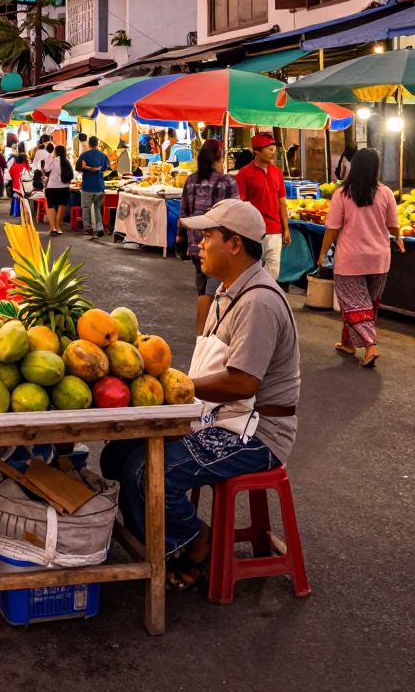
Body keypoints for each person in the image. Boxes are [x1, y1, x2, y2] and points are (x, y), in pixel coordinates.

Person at [100, 199, 300, 590]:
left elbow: (243, 384)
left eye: (207, 237)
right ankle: (159, 544)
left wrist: (176, 387)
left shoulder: (258, 301)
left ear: (235, 244)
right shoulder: (226, 292)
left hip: (255, 433)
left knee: (146, 472)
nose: (199, 245)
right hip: (219, 415)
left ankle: (197, 542)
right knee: (117, 454)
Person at [317, 147, 402, 369]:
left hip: (350, 259)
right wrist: (399, 238)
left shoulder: (342, 193)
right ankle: (348, 343)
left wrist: (322, 253)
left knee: (355, 305)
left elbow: (332, 228)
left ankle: (370, 346)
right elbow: (393, 224)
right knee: (366, 305)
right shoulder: (385, 193)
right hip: (379, 259)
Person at [178, 139, 240, 335]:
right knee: (212, 291)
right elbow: (235, 214)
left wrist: (181, 237)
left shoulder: (190, 180)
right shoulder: (226, 182)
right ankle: (205, 335)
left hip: (196, 244)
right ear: (218, 157)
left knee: (203, 288)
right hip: (218, 244)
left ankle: (202, 333)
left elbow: (184, 213)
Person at [235, 133, 290, 280]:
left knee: (273, 271)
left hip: (275, 230)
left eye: (274, 149)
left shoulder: (278, 173)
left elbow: (282, 201)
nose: (273, 152)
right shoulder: (244, 174)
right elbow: (240, 205)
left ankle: (265, 297)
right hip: (253, 231)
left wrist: (286, 228)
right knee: (251, 270)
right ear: (257, 151)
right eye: (269, 148)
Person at [76, 135, 110, 239]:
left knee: (86, 208)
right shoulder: (103, 155)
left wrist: (87, 168)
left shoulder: (84, 155)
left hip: (87, 186)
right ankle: (99, 228)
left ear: (89, 144)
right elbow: (106, 168)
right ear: (97, 144)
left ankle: (88, 229)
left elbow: (78, 169)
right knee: (97, 208)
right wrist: (96, 169)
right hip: (99, 186)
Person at [44, 143, 74, 235]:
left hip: (52, 187)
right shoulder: (67, 161)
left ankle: (52, 228)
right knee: (62, 206)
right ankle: (58, 227)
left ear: (56, 152)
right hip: (64, 187)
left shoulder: (52, 161)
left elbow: (46, 170)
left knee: (51, 206)